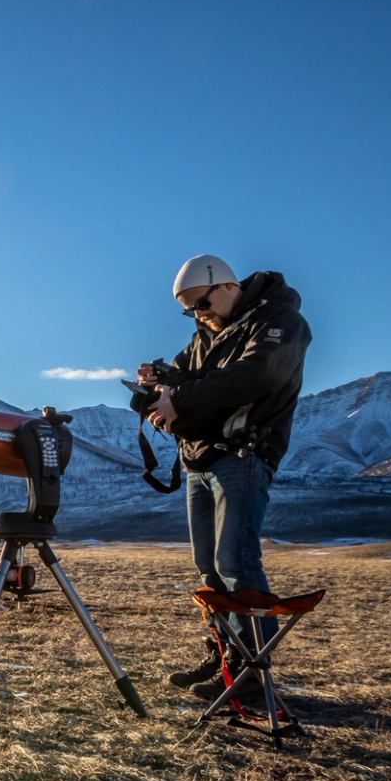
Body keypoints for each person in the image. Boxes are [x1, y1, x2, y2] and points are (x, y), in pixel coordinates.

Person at [137, 254, 311, 697]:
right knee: (209, 571)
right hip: (199, 461)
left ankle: (252, 674)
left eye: (202, 304)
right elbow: (185, 387)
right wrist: (156, 389)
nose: (199, 315)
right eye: (191, 309)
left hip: (242, 455)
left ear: (227, 286)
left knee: (236, 562)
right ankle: (226, 659)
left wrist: (183, 398)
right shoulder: (202, 340)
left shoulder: (279, 321)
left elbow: (256, 376)